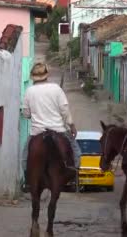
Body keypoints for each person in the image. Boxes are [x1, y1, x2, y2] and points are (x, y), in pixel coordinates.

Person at [20, 62, 81, 191]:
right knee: (76, 151)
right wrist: (72, 125)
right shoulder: (56, 88)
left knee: (25, 156)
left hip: (37, 131)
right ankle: (73, 176)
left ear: (33, 77)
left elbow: (26, 113)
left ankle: (27, 181)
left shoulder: (29, 91)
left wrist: (32, 115)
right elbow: (64, 110)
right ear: (47, 75)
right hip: (58, 129)